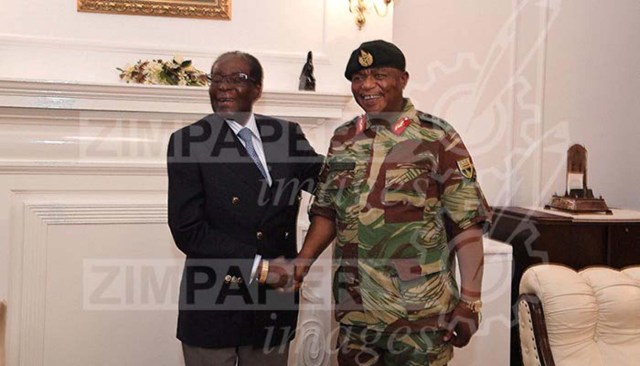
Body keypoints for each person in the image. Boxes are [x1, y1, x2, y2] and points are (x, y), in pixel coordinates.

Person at [294, 40, 492, 365]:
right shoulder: (344, 139)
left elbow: (466, 222)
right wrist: (301, 264)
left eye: (379, 75)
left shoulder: (437, 137)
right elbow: (327, 211)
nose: (367, 86)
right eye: (358, 78)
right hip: (356, 315)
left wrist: (470, 302)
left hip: (420, 318)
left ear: (403, 79)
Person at [167, 51, 323, 366]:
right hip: (214, 302)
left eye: (236, 79)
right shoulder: (189, 142)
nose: (222, 87)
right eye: (216, 79)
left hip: (273, 304)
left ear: (258, 89)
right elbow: (188, 230)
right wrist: (260, 268)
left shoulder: (286, 134)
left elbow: (329, 184)